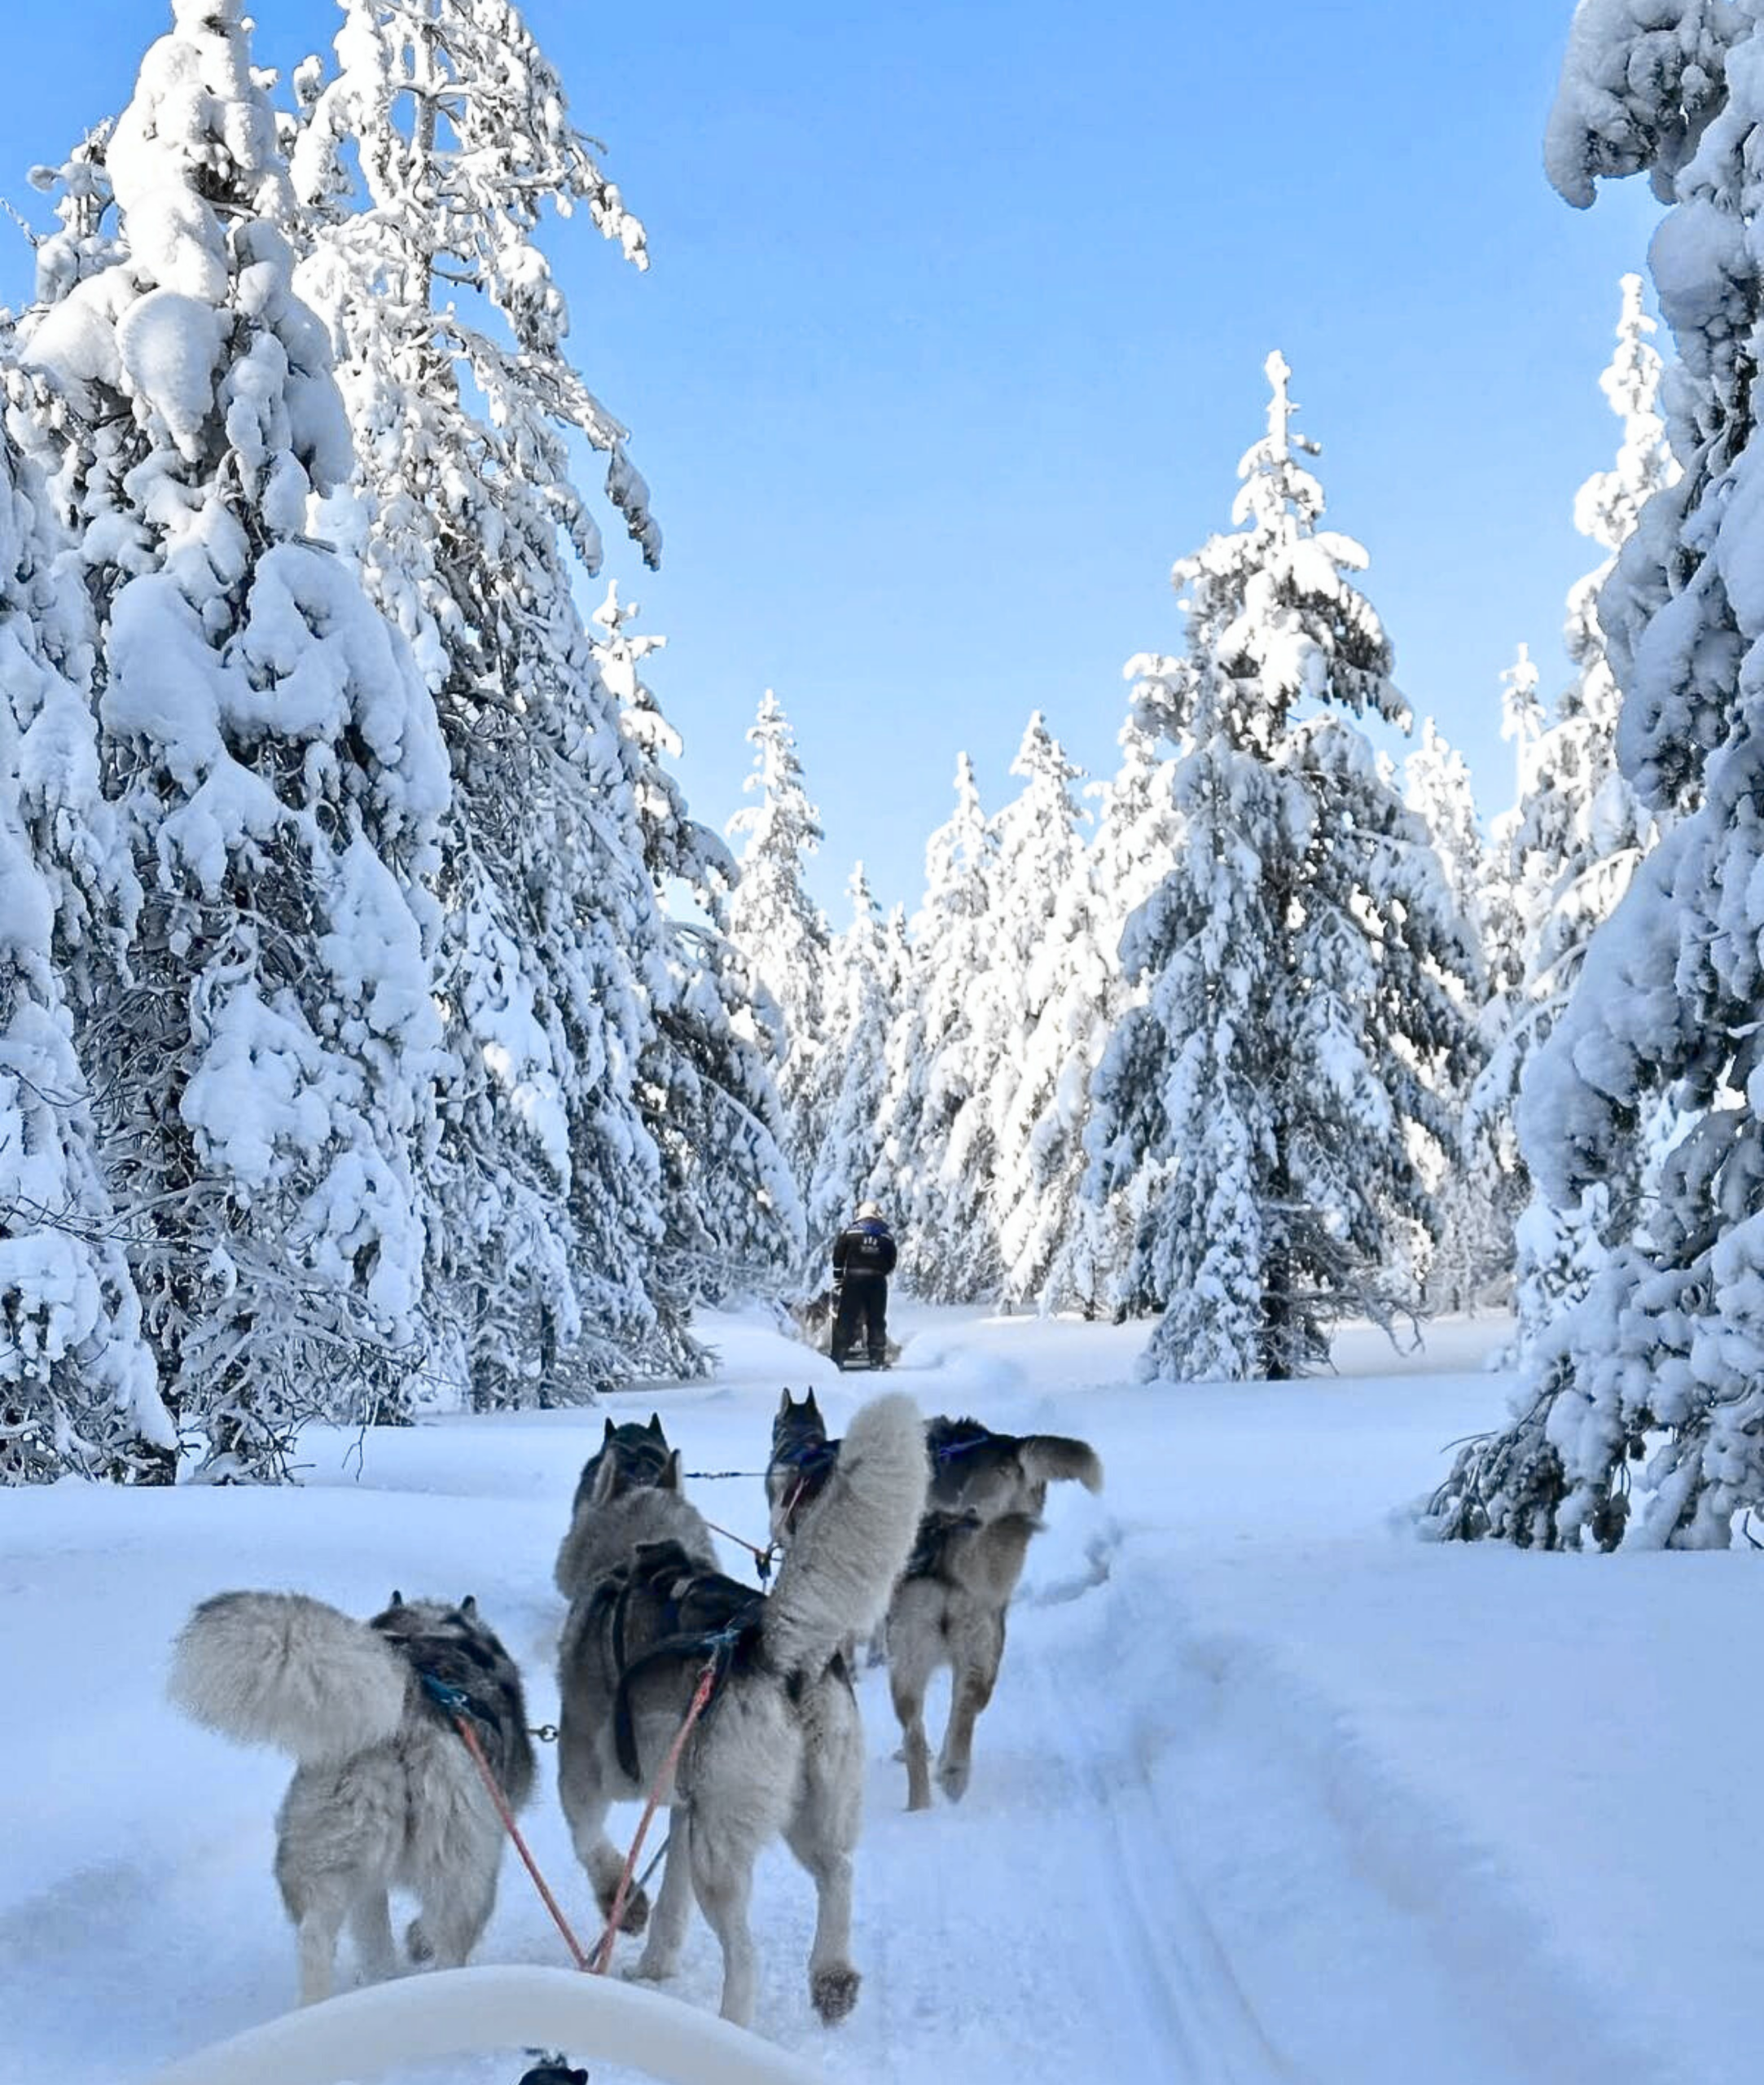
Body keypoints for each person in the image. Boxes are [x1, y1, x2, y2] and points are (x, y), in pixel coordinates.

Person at [830, 1199, 897, 1370]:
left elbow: (838, 1254)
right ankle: (877, 1358)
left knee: (846, 1318)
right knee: (876, 1320)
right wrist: (881, 1272)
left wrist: (838, 1275)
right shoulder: (885, 1235)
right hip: (877, 1282)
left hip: (853, 1279)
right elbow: (891, 1260)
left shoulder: (850, 1232)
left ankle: (838, 1357)